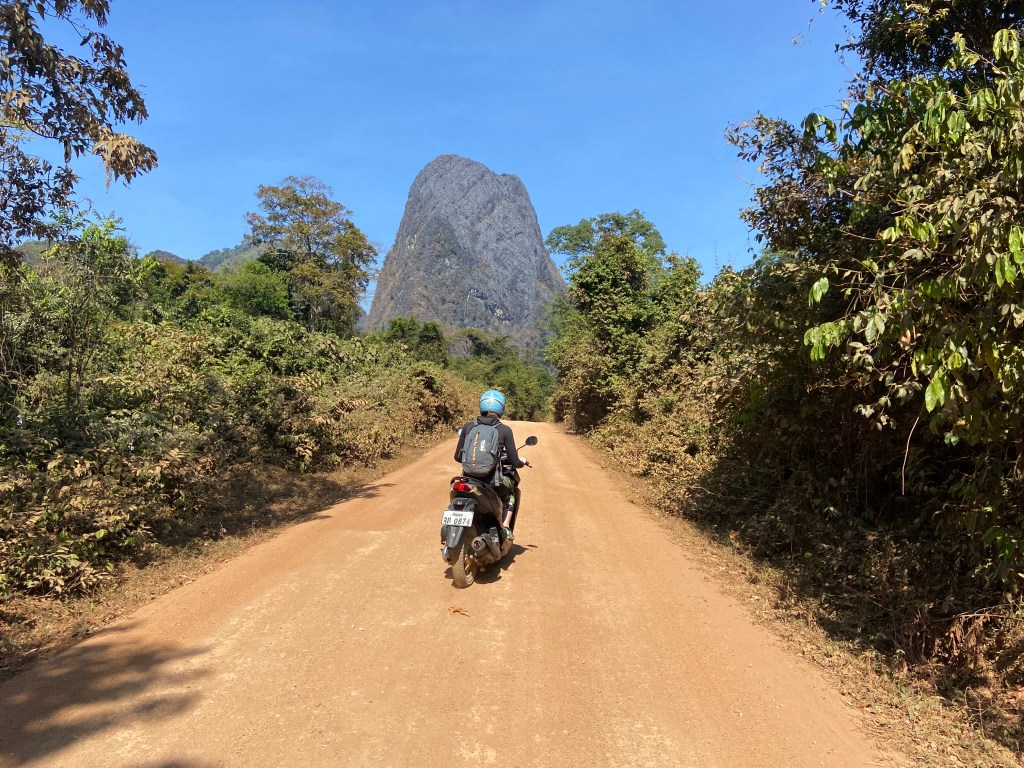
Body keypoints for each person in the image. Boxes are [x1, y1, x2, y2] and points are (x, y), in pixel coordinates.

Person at [454, 389, 530, 539]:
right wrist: (521, 462)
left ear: (481, 406)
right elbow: (514, 461)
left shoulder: (468, 427)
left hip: (467, 480)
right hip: (491, 482)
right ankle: (506, 527)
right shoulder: (504, 430)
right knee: (511, 490)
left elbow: (457, 457)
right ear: (501, 408)